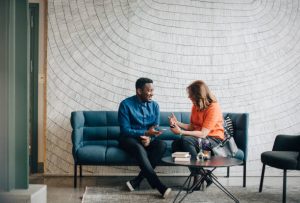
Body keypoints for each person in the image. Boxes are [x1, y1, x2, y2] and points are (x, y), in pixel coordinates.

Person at [118, 77, 172, 198]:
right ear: (139, 91)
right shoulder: (125, 105)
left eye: (153, 90)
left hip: (146, 138)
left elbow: (155, 128)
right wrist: (146, 133)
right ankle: (159, 186)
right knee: (139, 148)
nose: (152, 93)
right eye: (149, 90)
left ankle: (137, 181)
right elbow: (125, 130)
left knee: (162, 145)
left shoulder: (155, 106)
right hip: (128, 139)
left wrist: (150, 138)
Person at [169, 80, 225, 189]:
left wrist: (180, 132)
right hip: (199, 139)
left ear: (198, 95)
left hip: (214, 140)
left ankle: (197, 177)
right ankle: (204, 175)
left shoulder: (213, 107)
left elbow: (204, 134)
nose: (189, 97)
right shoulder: (196, 105)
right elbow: (192, 126)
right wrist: (177, 123)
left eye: (190, 94)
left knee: (185, 139)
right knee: (176, 144)